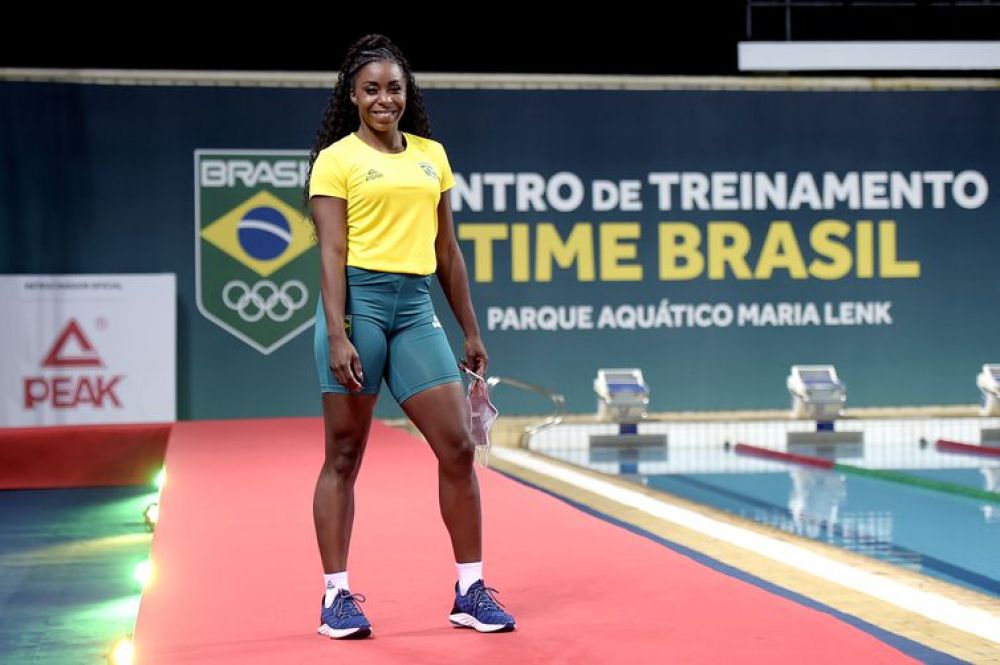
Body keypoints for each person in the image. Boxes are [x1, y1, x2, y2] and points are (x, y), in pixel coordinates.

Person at [304, 34, 516, 640]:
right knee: (344, 457)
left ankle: (470, 589)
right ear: (352, 95)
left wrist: (470, 327)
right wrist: (340, 333)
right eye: (371, 88)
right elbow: (333, 250)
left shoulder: (431, 155)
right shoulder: (336, 159)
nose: (384, 98)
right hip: (357, 309)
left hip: (416, 307)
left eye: (393, 88)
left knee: (457, 447)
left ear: (406, 93)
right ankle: (335, 597)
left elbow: (446, 249)